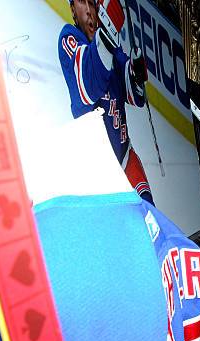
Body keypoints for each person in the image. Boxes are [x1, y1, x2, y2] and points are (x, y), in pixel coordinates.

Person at [58, 0, 154, 205]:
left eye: (93, 3)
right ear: (72, 9)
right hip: (97, 166)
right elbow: (88, 86)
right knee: (115, 231)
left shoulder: (114, 51)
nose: (89, 12)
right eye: (82, 2)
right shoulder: (69, 38)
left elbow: (135, 97)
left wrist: (136, 74)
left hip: (126, 156)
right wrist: (107, 33)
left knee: (151, 219)